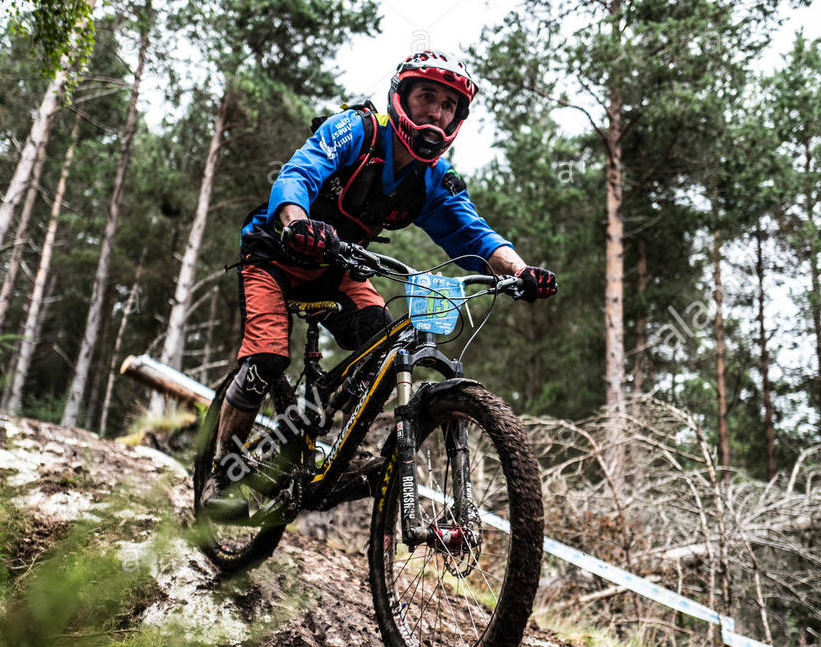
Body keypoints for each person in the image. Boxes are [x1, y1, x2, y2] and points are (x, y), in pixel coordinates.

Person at [205, 49, 557, 512]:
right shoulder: (357, 130)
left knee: (383, 343)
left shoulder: (433, 178)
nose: (437, 112)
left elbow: (472, 233)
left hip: (341, 267)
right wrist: (294, 222)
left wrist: (519, 271)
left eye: (449, 106)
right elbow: (300, 173)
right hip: (276, 254)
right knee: (267, 358)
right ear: (400, 98)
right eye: (427, 96)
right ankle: (220, 476)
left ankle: (338, 448)